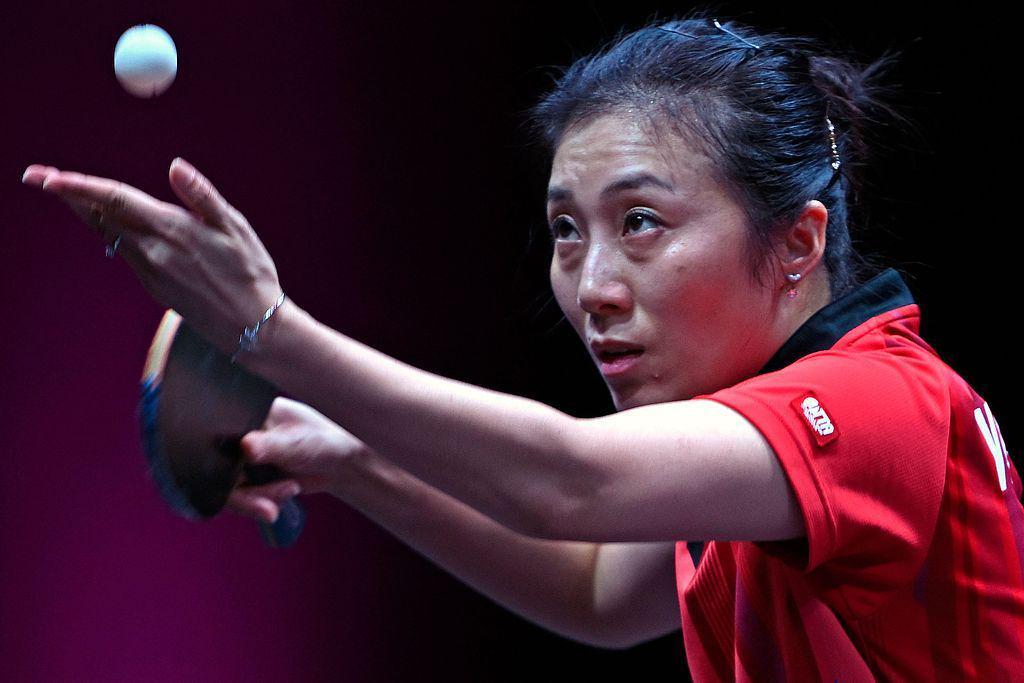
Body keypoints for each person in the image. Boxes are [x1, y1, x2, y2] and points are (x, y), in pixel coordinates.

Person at [22, 11, 1024, 681]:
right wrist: (353, 459)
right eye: (566, 230)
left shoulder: (879, 404)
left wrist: (273, 333)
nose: (591, 287)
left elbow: (571, 481)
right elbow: (596, 588)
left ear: (797, 243)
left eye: (642, 222)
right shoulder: (746, 446)